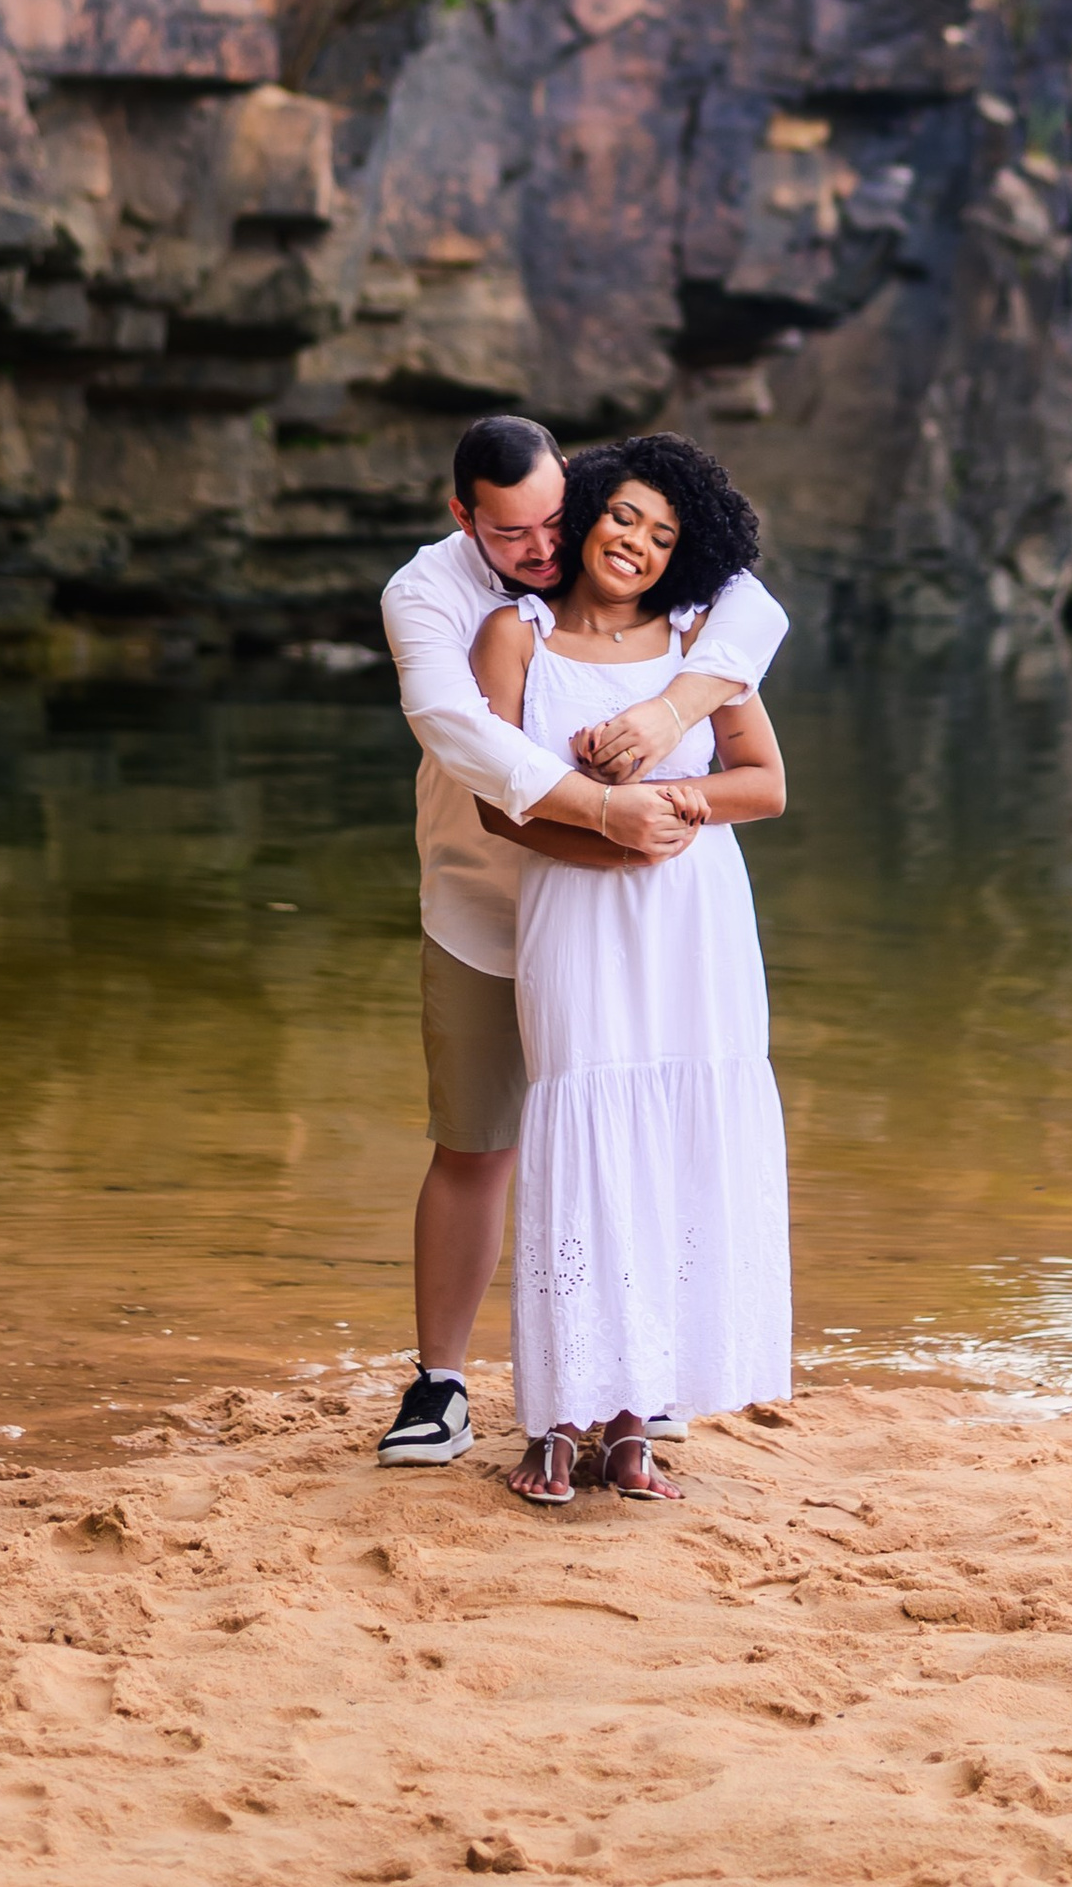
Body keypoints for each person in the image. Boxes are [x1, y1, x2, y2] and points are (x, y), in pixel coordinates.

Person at [374, 411, 789, 1468]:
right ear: (463, 515)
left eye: (559, 514)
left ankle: (640, 1377)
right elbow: (467, 743)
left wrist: (672, 711)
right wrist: (611, 825)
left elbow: (749, 604)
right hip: (489, 908)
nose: (543, 545)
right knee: (480, 1137)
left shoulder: (674, 604)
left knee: (648, 1133)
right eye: (513, 534)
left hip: (649, 925)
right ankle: (444, 1383)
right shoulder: (431, 599)